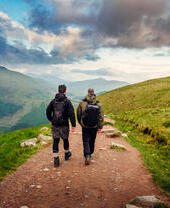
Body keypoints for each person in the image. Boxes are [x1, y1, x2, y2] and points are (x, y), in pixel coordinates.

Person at [46, 84, 76, 167]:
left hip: (55, 124)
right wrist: (73, 125)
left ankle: (56, 159)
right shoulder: (67, 102)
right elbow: (72, 114)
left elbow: (48, 111)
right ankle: (66, 154)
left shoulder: (53, 101)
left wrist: (51, 119)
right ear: (65, 91)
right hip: (64, 125)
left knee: (55, 141)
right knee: (65, 139)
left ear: (58, 91)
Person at [77, 88, 104, 165]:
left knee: (85, 141)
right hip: (94, 126)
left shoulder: (82, 103)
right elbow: (101, 116)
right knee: (92, 140)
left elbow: (78, 114)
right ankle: (90, 153)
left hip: (85, 126)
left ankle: (87, 155)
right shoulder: (98, 104)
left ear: (87, 93)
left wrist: (81, 123)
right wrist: (100, 127)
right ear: (94, 93)